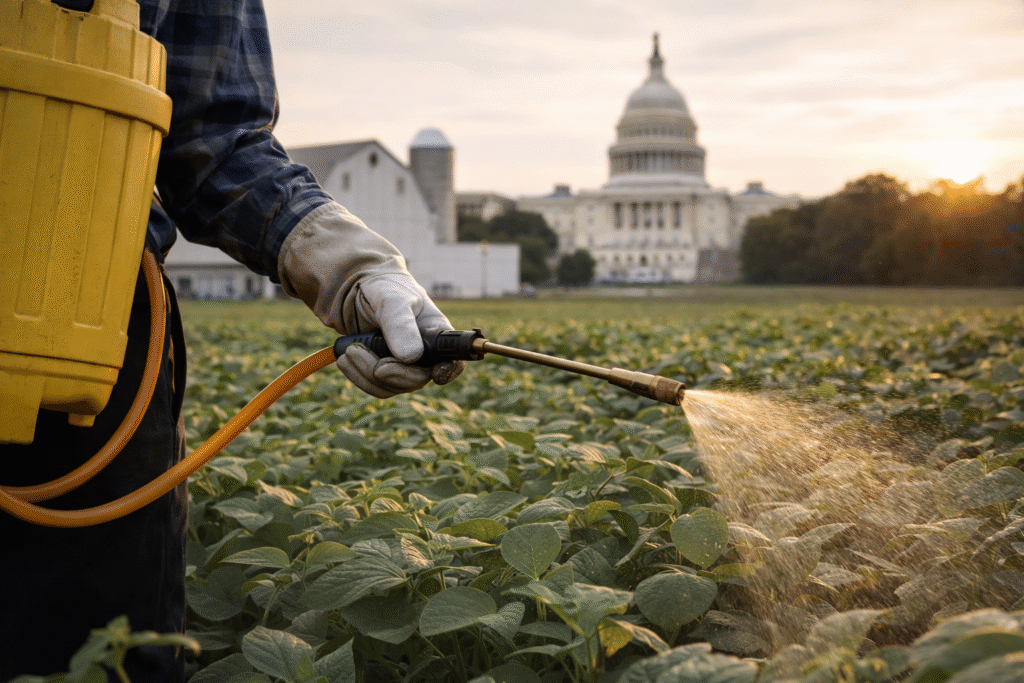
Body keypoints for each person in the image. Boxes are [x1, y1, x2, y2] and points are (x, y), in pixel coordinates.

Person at [0, 0, 463, 680]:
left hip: (83, 338)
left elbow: (215, 137)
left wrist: (354, 269)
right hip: (74, 329)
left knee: (103, 652)